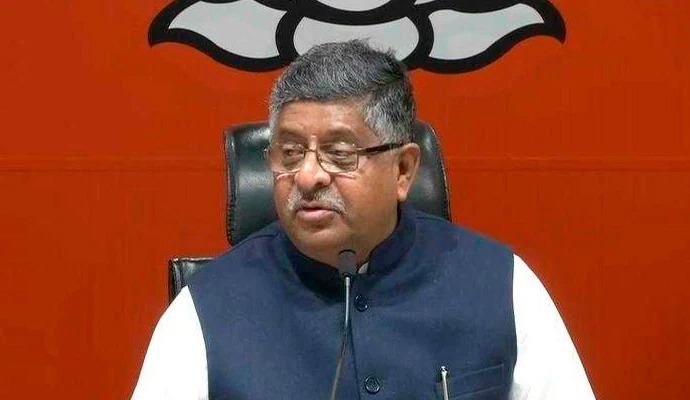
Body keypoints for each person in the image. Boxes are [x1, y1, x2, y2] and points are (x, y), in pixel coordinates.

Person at [131, 40, 595, 399]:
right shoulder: (205, 308)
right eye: (290, 152)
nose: (308, 176)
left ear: (404, 170)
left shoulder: (502, 283)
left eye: (339, 153)